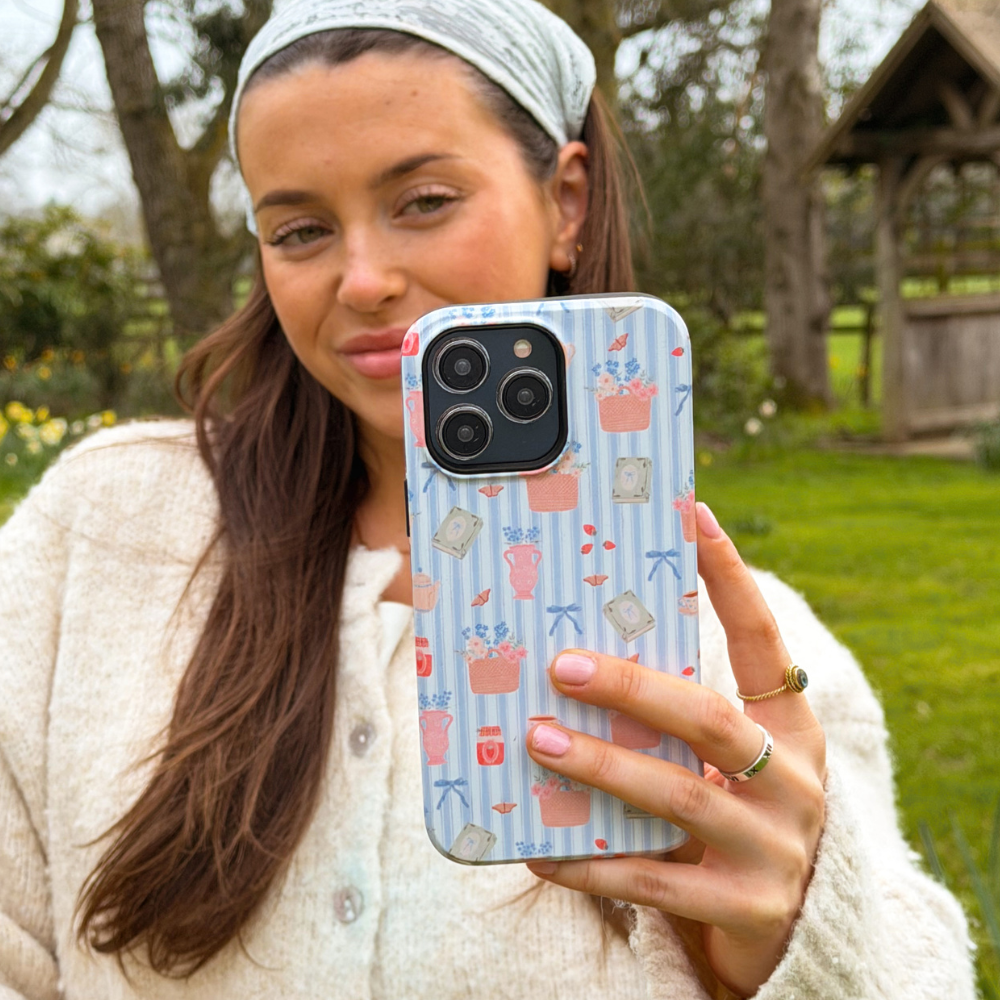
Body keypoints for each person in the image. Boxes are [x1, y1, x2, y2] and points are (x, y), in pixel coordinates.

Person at [0, 1, 976, 997]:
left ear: (567, 201)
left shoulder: (749, 664)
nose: (364, 279)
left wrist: (790, 954)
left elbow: (915, 971)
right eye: (299, 229)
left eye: (422, 200)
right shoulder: (98, 535)